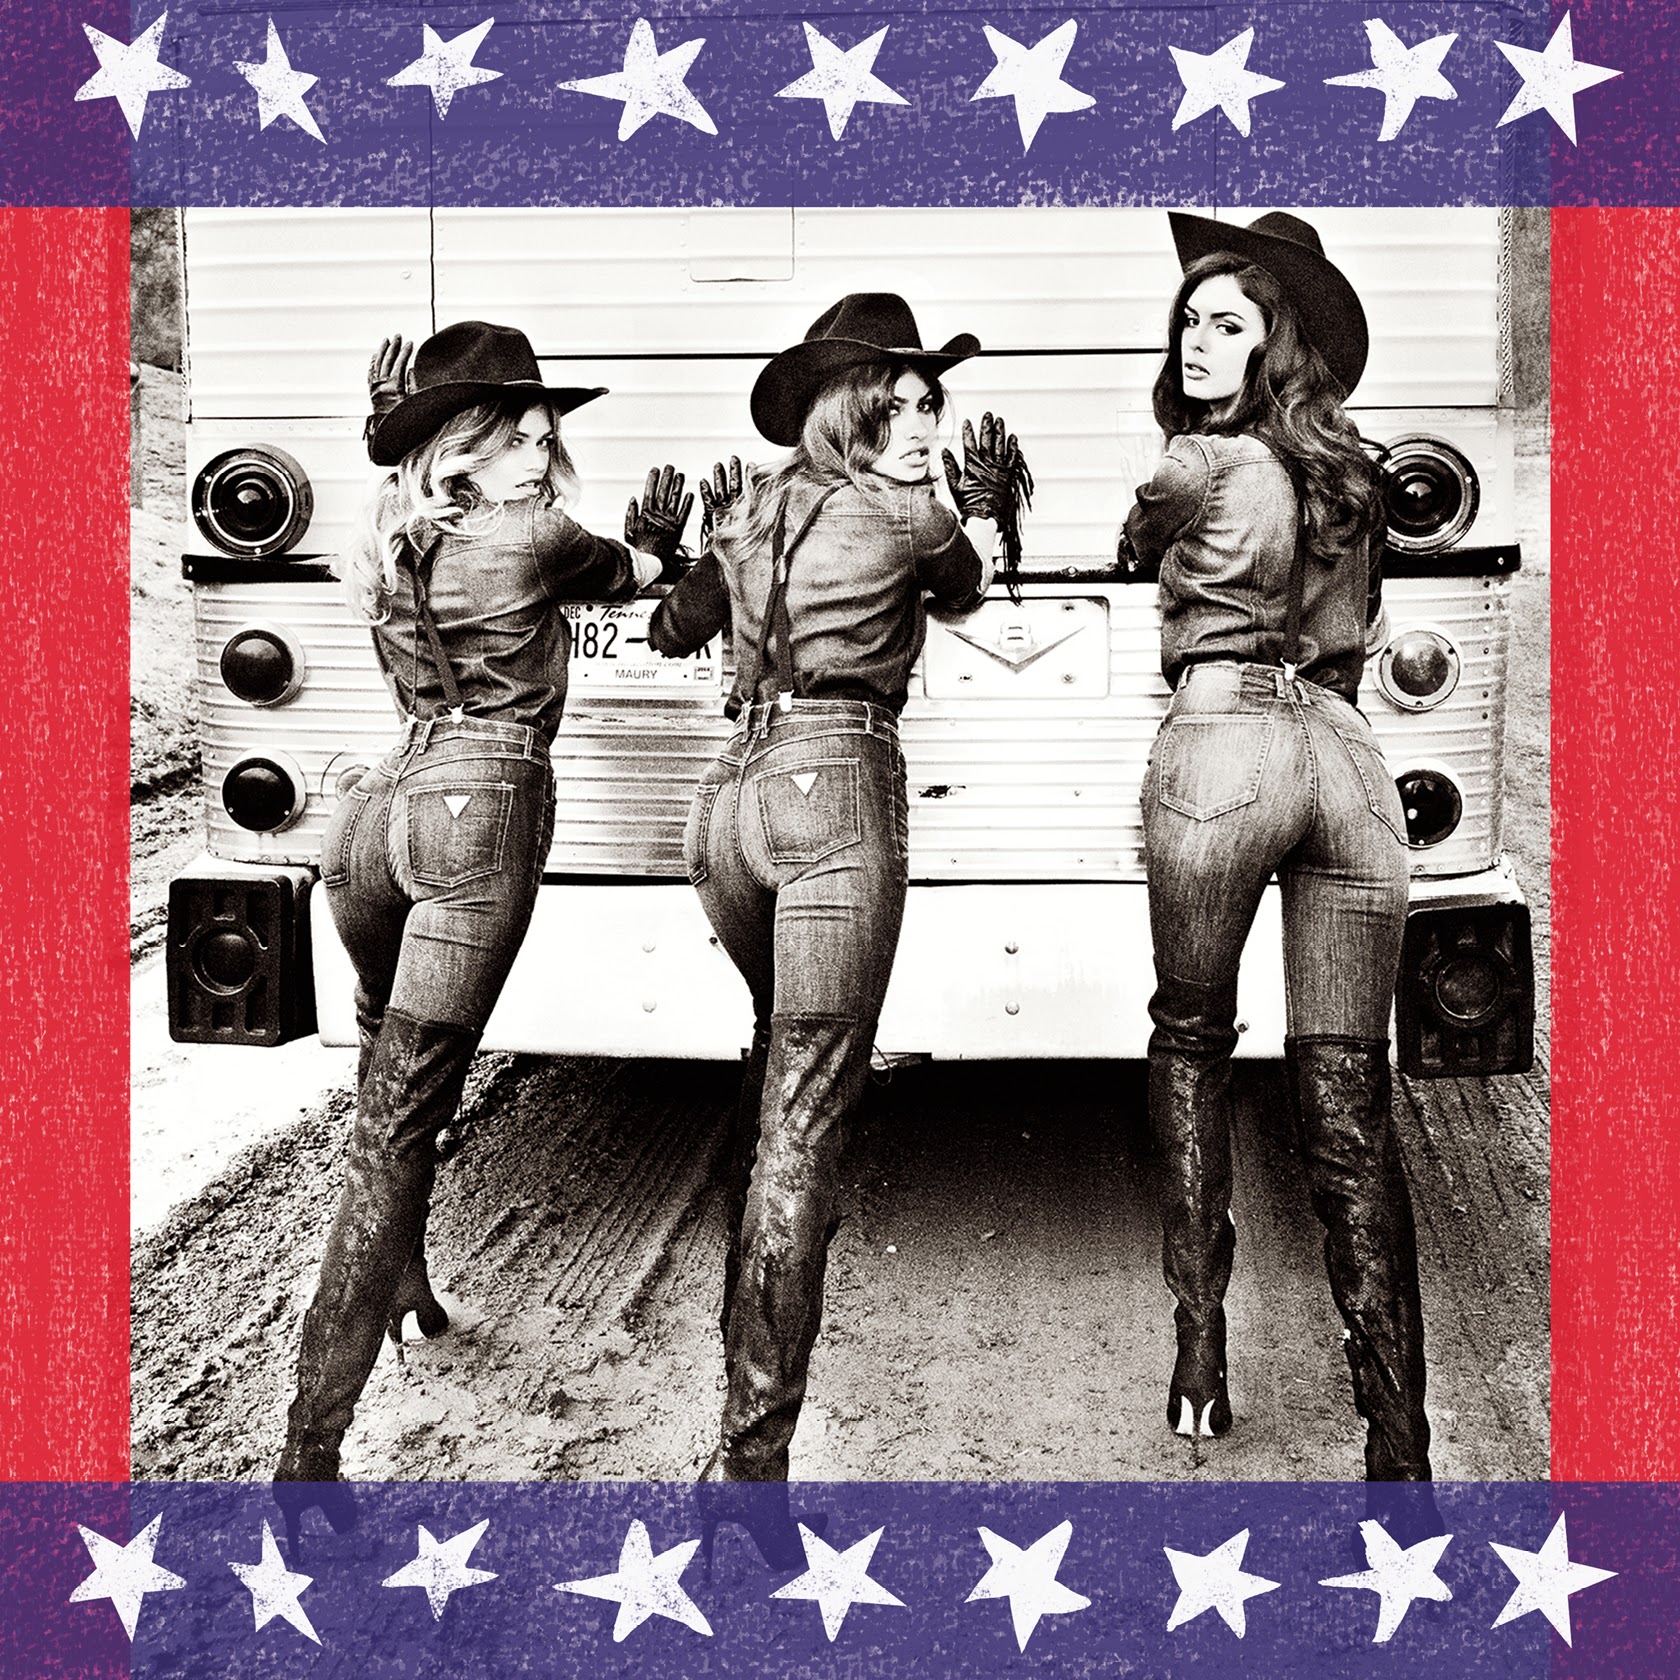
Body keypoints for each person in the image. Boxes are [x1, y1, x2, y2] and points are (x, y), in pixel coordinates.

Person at [273, 321, 691, 1546]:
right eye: (521, 435)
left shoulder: (388, 540)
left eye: (545, 435)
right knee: (400, 1126)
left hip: (373, 820)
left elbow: (412, 502)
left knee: (383, 1075)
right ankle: (307, 1455)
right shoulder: (538, 535)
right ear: (474, 443)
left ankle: (405, 1282)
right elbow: (631, 573)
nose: (543, 452)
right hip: (479, 809)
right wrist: (668, 545)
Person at [649, 294, 1029, 1558]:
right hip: (834, 788)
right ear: (852, 414)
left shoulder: (748, 511)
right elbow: (970, 587)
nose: (925, 427)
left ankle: (737, 1387)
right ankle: (750, 1469)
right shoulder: (912, 513)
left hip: (725, 807)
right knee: (808, 1115)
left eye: (932, 406)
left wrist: (705, 554)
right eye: (900, 407)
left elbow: (673, 628)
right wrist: (970, 511)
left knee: (779, 1073)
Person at [1123, 215, 1436, 1517]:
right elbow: (1362, 627)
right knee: (1347, 1097)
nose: (1194, 342)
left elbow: (1136, 555)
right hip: (1350, 764)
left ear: (1273, 345)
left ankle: (1201, 1348)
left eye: (1225, 324)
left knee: (1194, 1041)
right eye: (1189, 321)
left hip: (1222, 746)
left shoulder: (1197, 461)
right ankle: (1400, 1460)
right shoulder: (1353, 474)